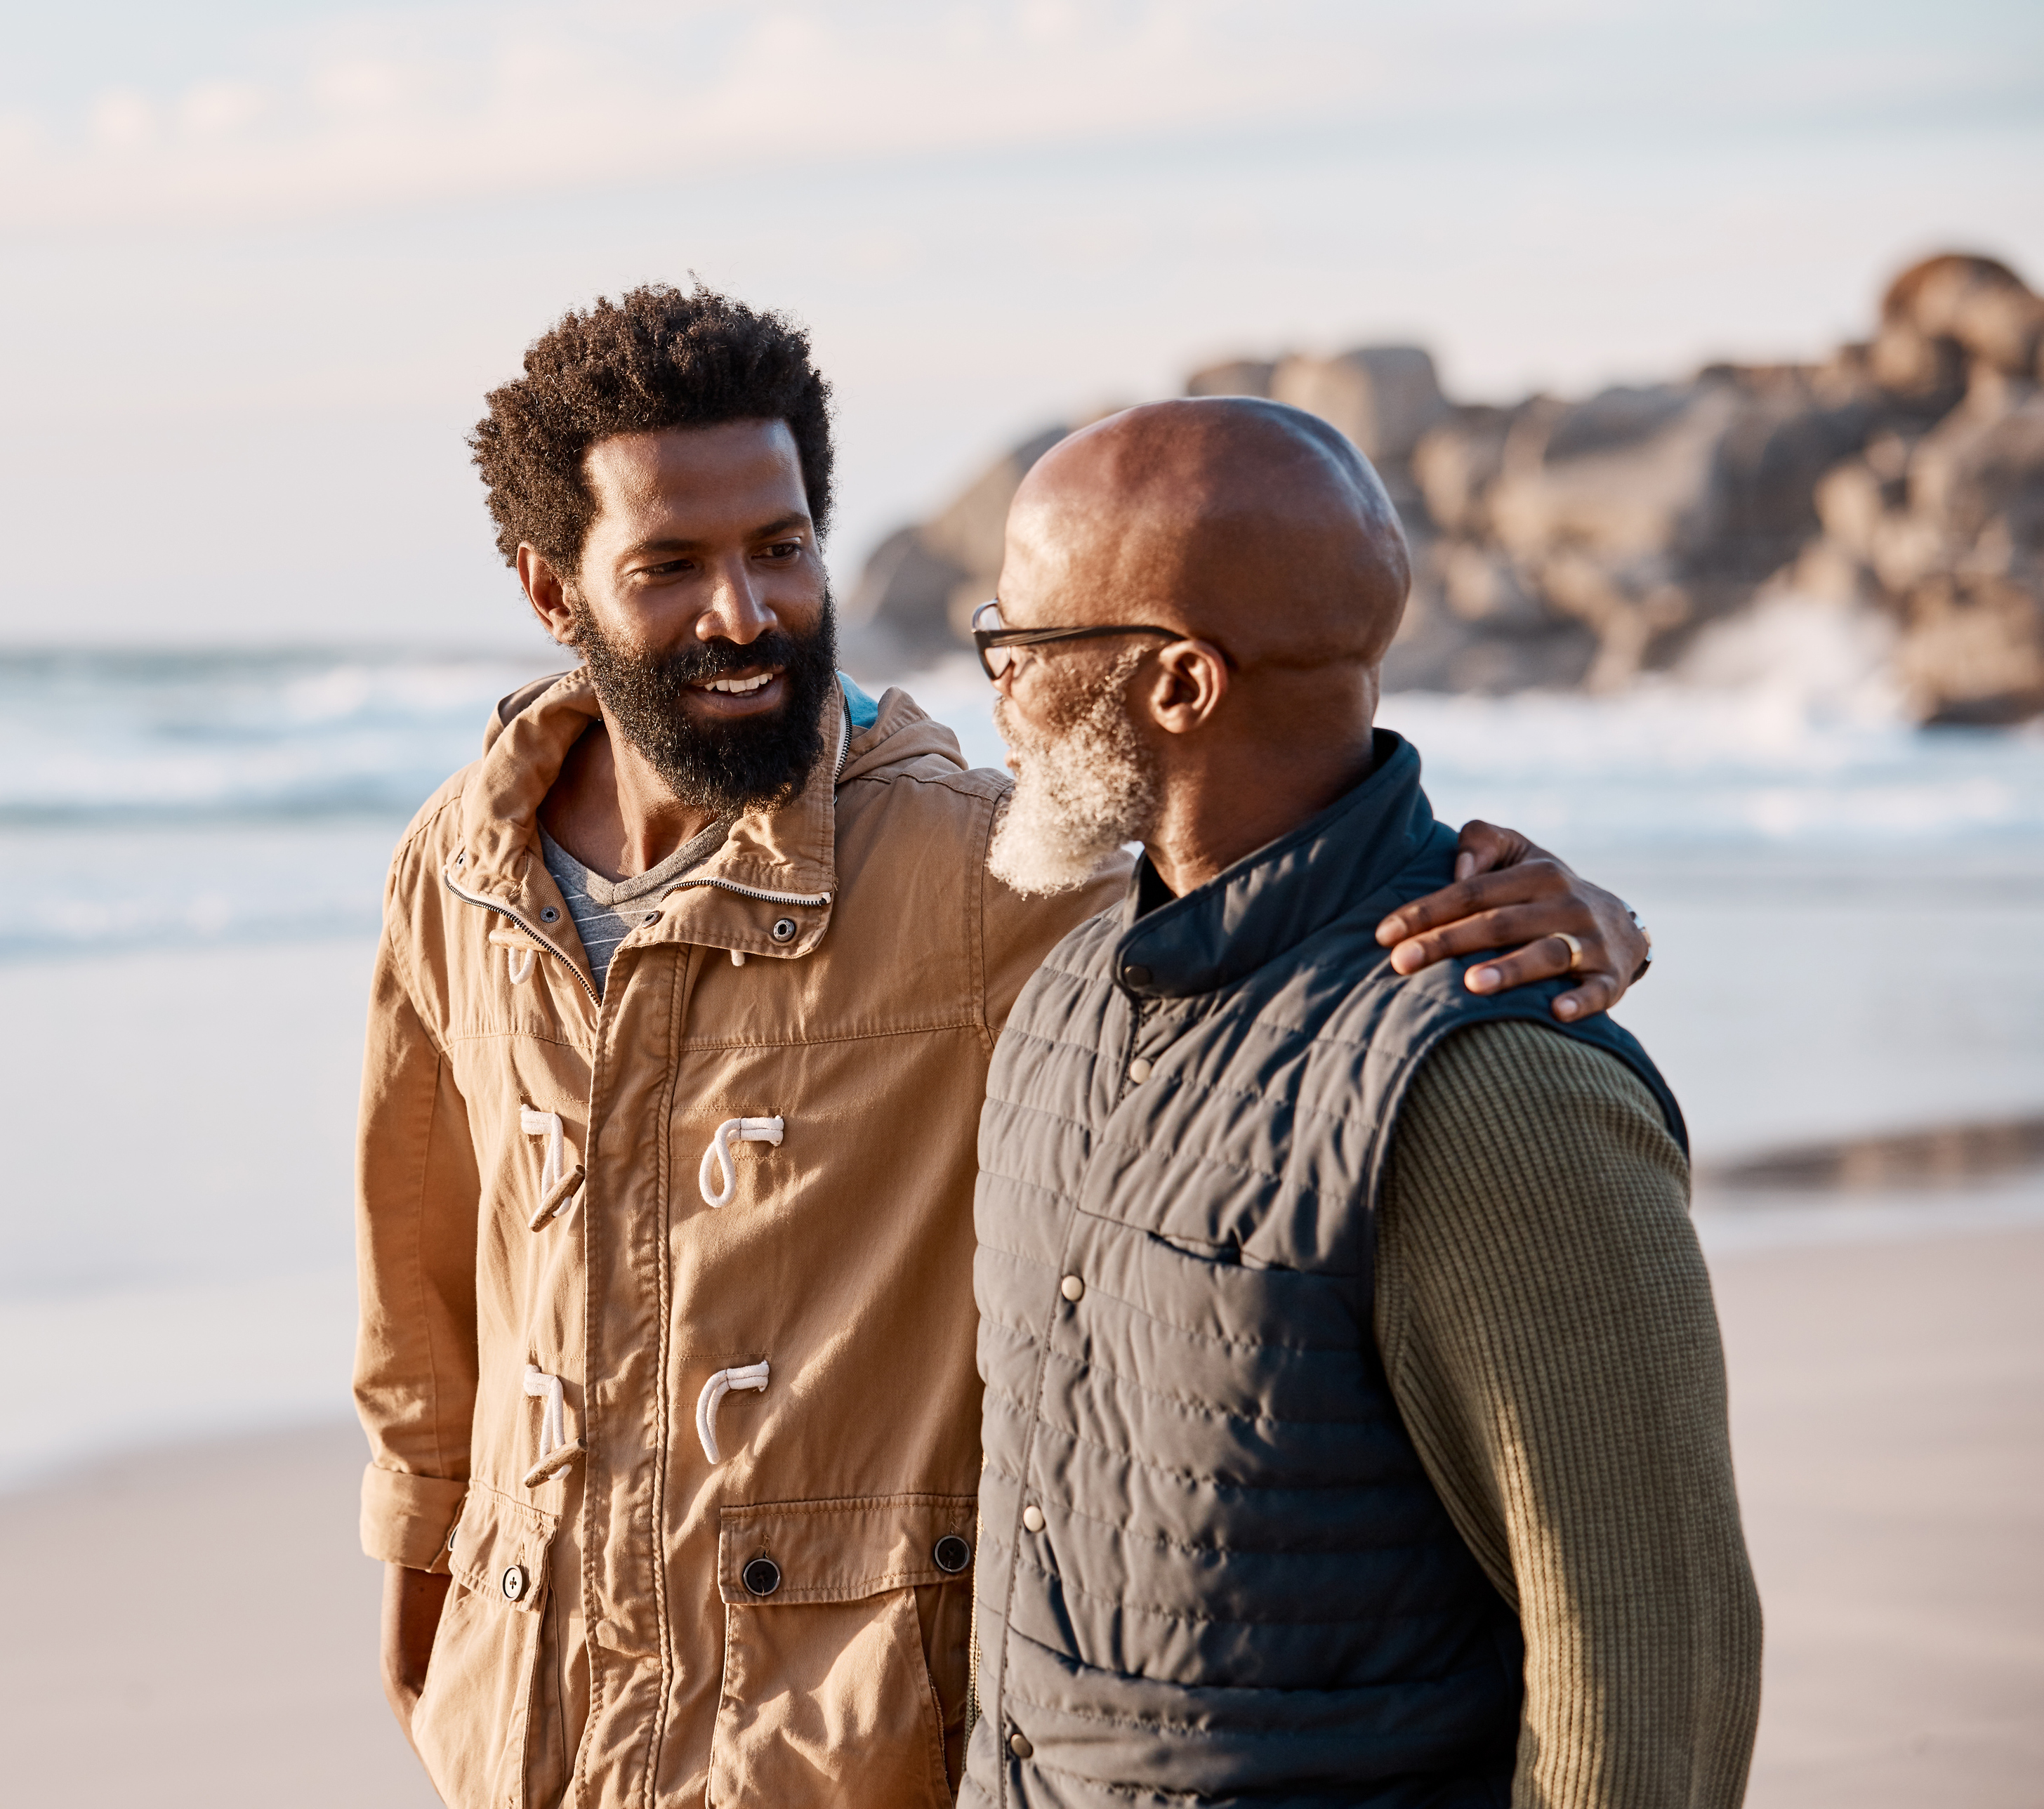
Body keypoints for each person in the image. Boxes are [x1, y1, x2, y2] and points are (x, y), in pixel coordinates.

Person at [354, 286, 1653, 1809]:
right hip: (526, 1724)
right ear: (549, 589)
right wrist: (422, 1600)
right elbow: (422, 1287)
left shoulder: (983, 864)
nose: (745, 612)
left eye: (781, 547)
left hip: (831, 1746)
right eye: (672, 566)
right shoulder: (460, 865)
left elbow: (1264, 874)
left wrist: (1574, 911)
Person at [963, 398, 1759, 1809]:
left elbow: (1646, 1667)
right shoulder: (1066, 998)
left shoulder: (1491, 1088)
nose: (999, 687)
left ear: (1180, 685)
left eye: (1019, 646)